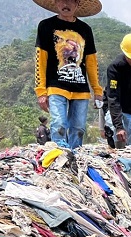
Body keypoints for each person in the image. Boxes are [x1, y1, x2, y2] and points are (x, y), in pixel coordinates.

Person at [33, 0, 103, 150]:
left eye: (71, 1)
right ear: (56, 3)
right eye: (62, 0)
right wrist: (41, 91)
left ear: (77, 4)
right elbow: (41, 60)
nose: (66, 4)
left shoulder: (85, 29)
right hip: (56, 86)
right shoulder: (46, 26)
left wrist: (97, 90)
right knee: (58, 124)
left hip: (80, 89)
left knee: (78, 129)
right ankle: (59, 157)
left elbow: (91, 62)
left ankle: (74, 158)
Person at [106, 33, 131, 148]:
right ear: (125, 54)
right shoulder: (114, 68)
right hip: (117, 110)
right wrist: (119, 126)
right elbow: (113, 97)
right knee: (119, 145)